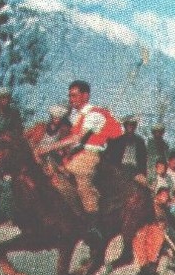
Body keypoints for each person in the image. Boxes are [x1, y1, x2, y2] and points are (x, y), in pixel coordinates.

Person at [40, 80, 123, 217]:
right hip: (77, 153)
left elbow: (78, 137)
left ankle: (93, 221)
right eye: (69, 96)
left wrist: (49, 147)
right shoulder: (80, 116)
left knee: (82, 182)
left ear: (85, 96)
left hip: (90, 155)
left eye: (74, 96)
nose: (71, 100)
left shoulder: (94, 114)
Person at [117, 116, 150, 183]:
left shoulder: (140, 141)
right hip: (120, 169)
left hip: (135, 171)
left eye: (133, 125)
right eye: (128, 125)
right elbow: (113, 157)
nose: (130, 127)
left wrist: (142, 173)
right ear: (125, 126)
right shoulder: (118, 140)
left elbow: (143, 159)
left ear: (135, 127)